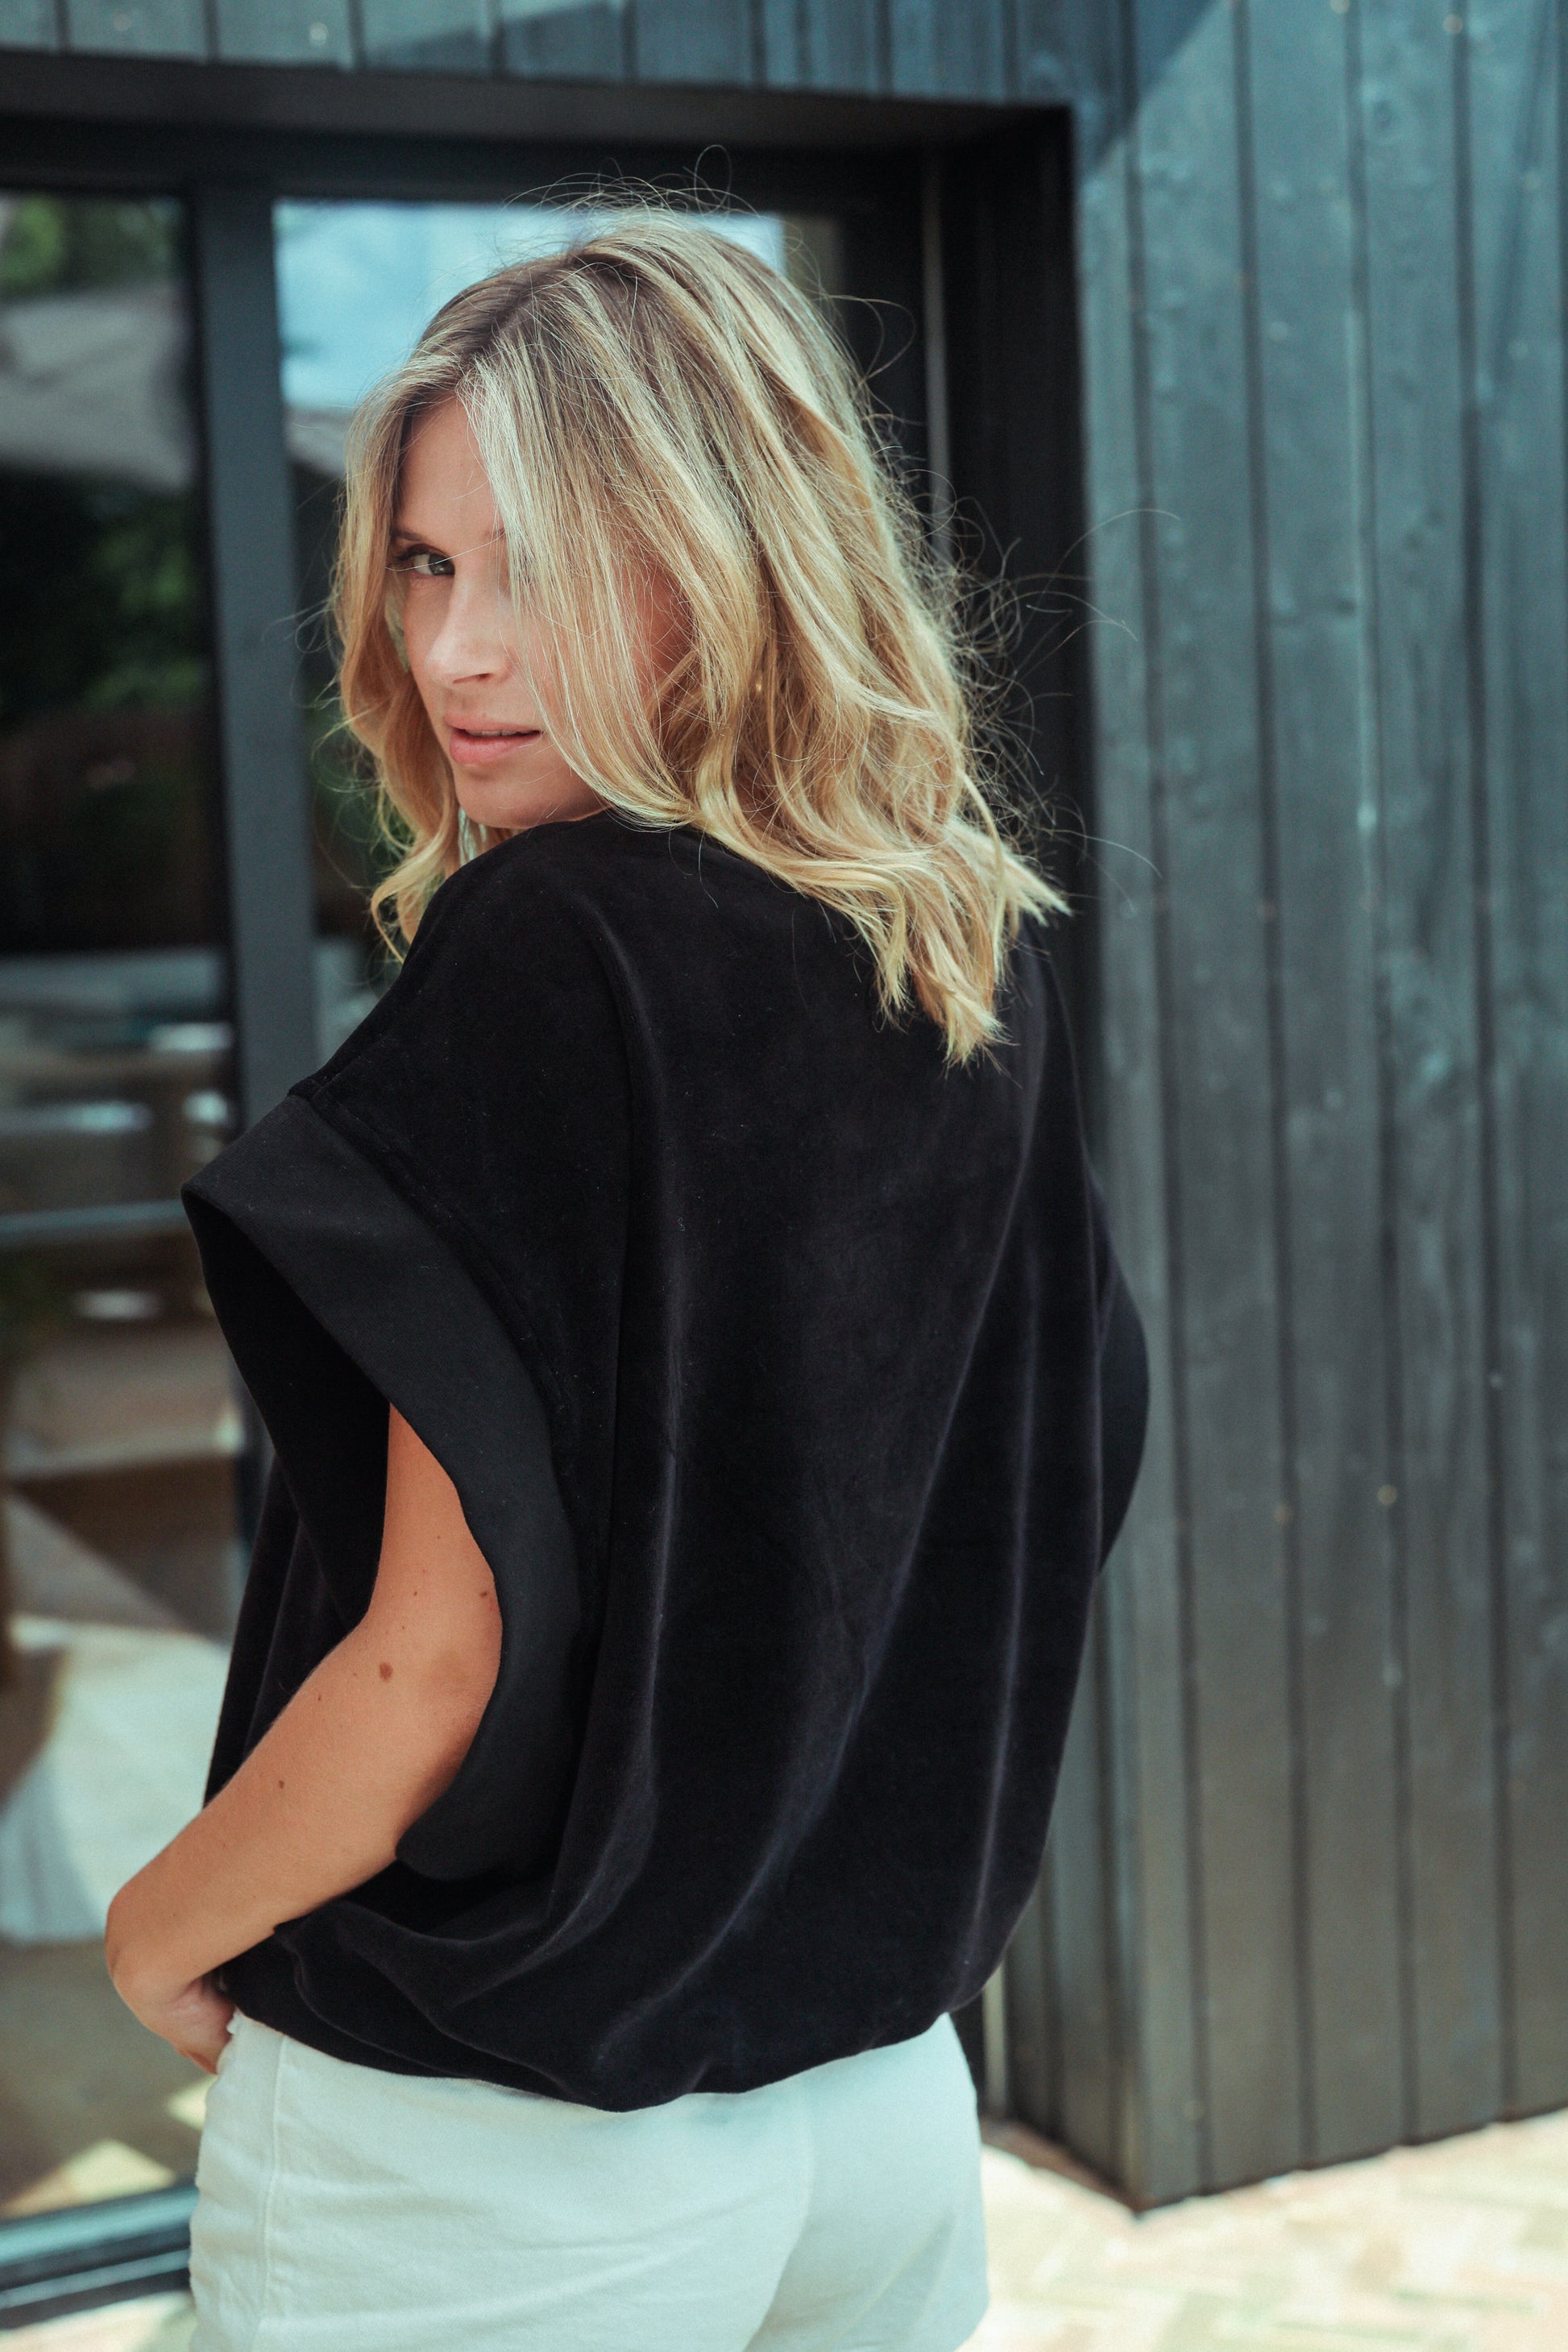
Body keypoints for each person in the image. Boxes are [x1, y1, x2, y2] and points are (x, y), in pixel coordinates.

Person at [105, 208, 1147, 2352]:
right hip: (871, 2100)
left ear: (734, 560)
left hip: (499, 2147)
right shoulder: (960, 944)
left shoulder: (549, 951)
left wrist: (157, 1924)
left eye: (543, 571)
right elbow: (1053, 1481)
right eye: (424, 565)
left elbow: (438, 1657)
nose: (453, 654)